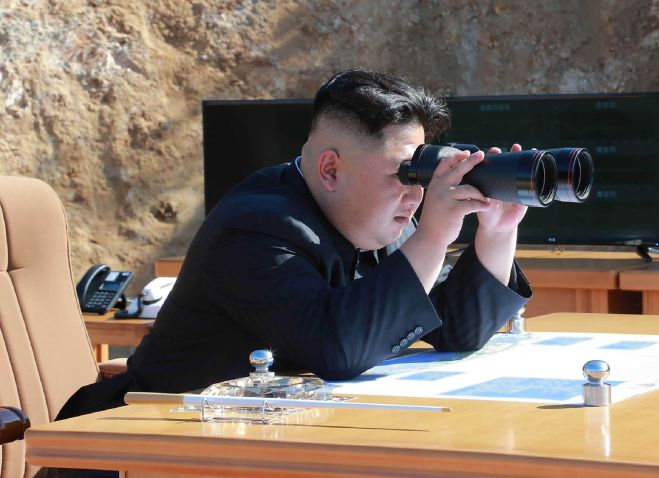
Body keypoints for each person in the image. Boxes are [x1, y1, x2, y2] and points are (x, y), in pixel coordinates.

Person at [58, 68, 531, 418]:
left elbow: (457, 330)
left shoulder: (376, 217)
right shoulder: (255, 228)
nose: (415, 192)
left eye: (420, 173)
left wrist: (498, 229)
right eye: (402, 173)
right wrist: (434, 233)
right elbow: (337, 349)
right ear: (330, 170)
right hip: (146, 445)